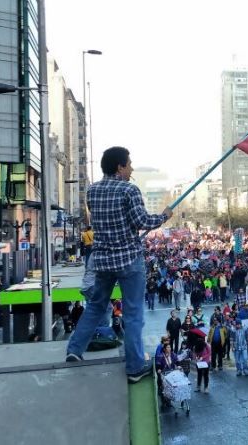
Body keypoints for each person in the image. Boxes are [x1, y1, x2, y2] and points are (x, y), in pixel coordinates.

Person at [65, 146, 173, 384]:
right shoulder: (129, 190)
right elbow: (142, 221)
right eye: (129, 164)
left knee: (95, 306)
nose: (132, 168)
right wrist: (165, 216)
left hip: (102, 260)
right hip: (128, 260)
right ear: (119, 166)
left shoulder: (92, 191)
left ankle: (74, 349)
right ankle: (134, 367)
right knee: (133, 314)